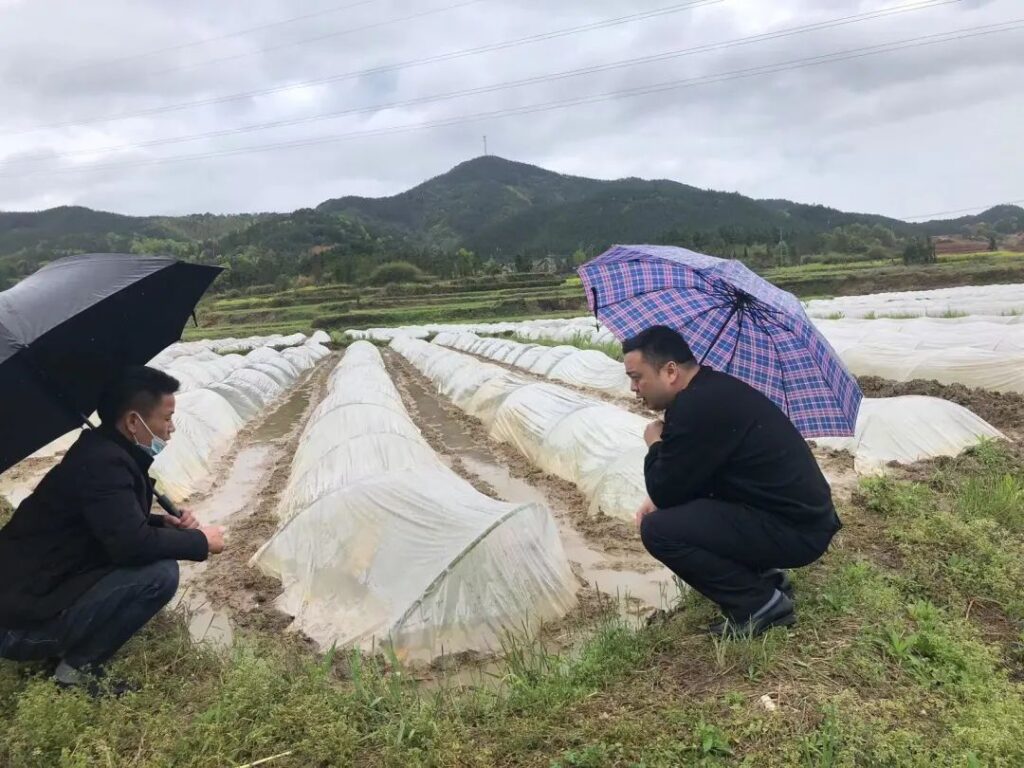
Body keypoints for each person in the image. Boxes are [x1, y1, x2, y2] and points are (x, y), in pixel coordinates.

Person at [0, 366, 226, 695]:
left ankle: (62, 648)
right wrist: (198, 541)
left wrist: (165, 522)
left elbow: (112, 523)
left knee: (148, 561)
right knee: (160, 574)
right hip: (15, 628)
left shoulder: (103, 454)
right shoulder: (104, 464)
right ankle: (75, 673)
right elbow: (130, 544)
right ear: (134, 422)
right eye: (167, 418)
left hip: (21, 603)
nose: (171, 429)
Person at [624, 326, 841, 637]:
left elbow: (665, 489)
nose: (633, 388)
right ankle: (765, 579)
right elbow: (687, 479)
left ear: (670, 371)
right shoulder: (709, 392)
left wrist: (654, 442)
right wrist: (661, 491)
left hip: (797, 531)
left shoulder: (697, 406)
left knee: (658, 530)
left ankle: (760, 605)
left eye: (636, 377)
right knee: (688, 507)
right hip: (802, 521)